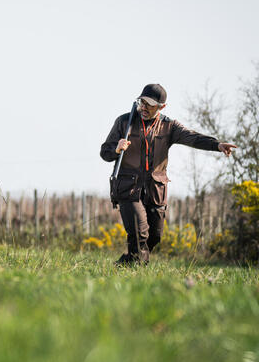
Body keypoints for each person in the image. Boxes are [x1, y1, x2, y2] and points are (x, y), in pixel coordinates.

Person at [100, 83, 236, 265]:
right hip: (128, 189)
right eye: (142, 102)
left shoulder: (169, 126)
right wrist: (116, 150)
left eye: (149, 104)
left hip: (155, 190)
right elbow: (104, 152)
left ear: (161, 107)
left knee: (154, 237)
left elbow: (192, 137)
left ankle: (127, 264)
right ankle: (134, 272)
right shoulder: (124, 122)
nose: (144, 107)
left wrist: (216, 145)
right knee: (139, 233)